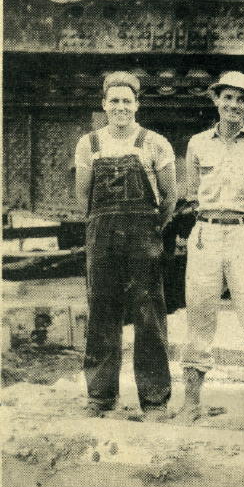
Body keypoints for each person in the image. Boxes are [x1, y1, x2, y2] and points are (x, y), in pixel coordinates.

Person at [178, 71, 244, 431]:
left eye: (242, 99)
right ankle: (191, 401)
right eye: (228, 98)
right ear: (215, 100)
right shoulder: (196, 144)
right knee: (199, 319)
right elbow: (192, 195)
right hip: (206, 232)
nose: (234, 105)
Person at [75, 71, 177, 420]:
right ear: (104, 105)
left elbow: (170, 198)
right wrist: (104, 225)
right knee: (101, 312)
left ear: (137, 104)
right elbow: (83, 196)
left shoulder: (155, 142)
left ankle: (154, 400)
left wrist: (149, 229)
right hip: (101, 237)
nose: (120, 107)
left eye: (127, 101)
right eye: (114, 101)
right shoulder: (88, 144)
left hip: (142, 237)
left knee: (149, 314)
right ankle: (100, 397)